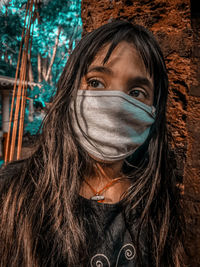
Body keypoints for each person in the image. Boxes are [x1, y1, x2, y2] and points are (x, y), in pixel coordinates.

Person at [0, 20, 185, 266]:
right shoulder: (13, 194)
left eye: (136, 92)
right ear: (69, 89)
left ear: (154, 111)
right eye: (96, 82)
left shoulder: (157, 207)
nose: (116, 104)